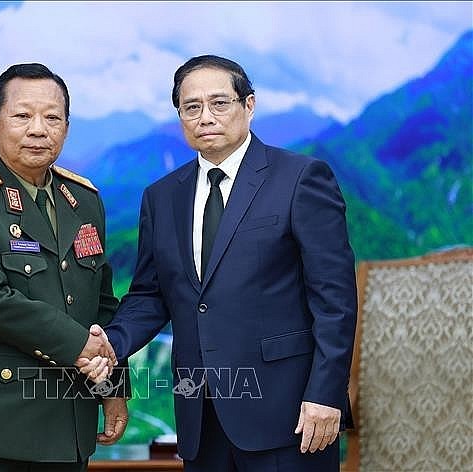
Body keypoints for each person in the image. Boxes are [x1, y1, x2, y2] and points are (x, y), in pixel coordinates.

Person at [79, 55, 357, 471]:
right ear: (180, 117)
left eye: (219, 103)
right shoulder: (161, 197)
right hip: (200, 418)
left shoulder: (300, 178)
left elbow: (335, 300)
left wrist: (325, 394)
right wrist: (111, 345)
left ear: (249, 105)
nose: (205, 117)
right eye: (191, 107)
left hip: (292, 415)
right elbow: (151, 296)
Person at [0, 63, 129, 472]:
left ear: (67, 128)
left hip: (66, 430)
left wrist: (112, 386)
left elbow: (102, 305)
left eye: (52, 117)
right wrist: (80, 347)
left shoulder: (85, 201)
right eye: (22, 116)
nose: (39, 129)